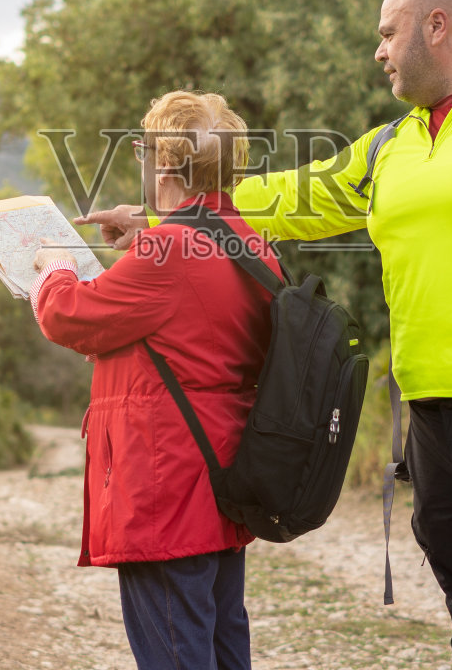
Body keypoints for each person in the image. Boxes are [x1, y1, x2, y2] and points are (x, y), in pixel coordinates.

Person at [78, 0, 452, 670]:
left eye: (388, 34)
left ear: (436, 26)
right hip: (436, 428)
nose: (380, 51)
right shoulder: (393, 145)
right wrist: (154, 216)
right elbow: (294, 196)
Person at [29, 90, 278, 670]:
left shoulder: (168, 251)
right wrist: (146, 233)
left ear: (163, 165)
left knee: (173, 651)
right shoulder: (247, 238)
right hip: (220, 478)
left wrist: (54, 265)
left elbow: (68, 315)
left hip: (166, 483)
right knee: (219, 642)